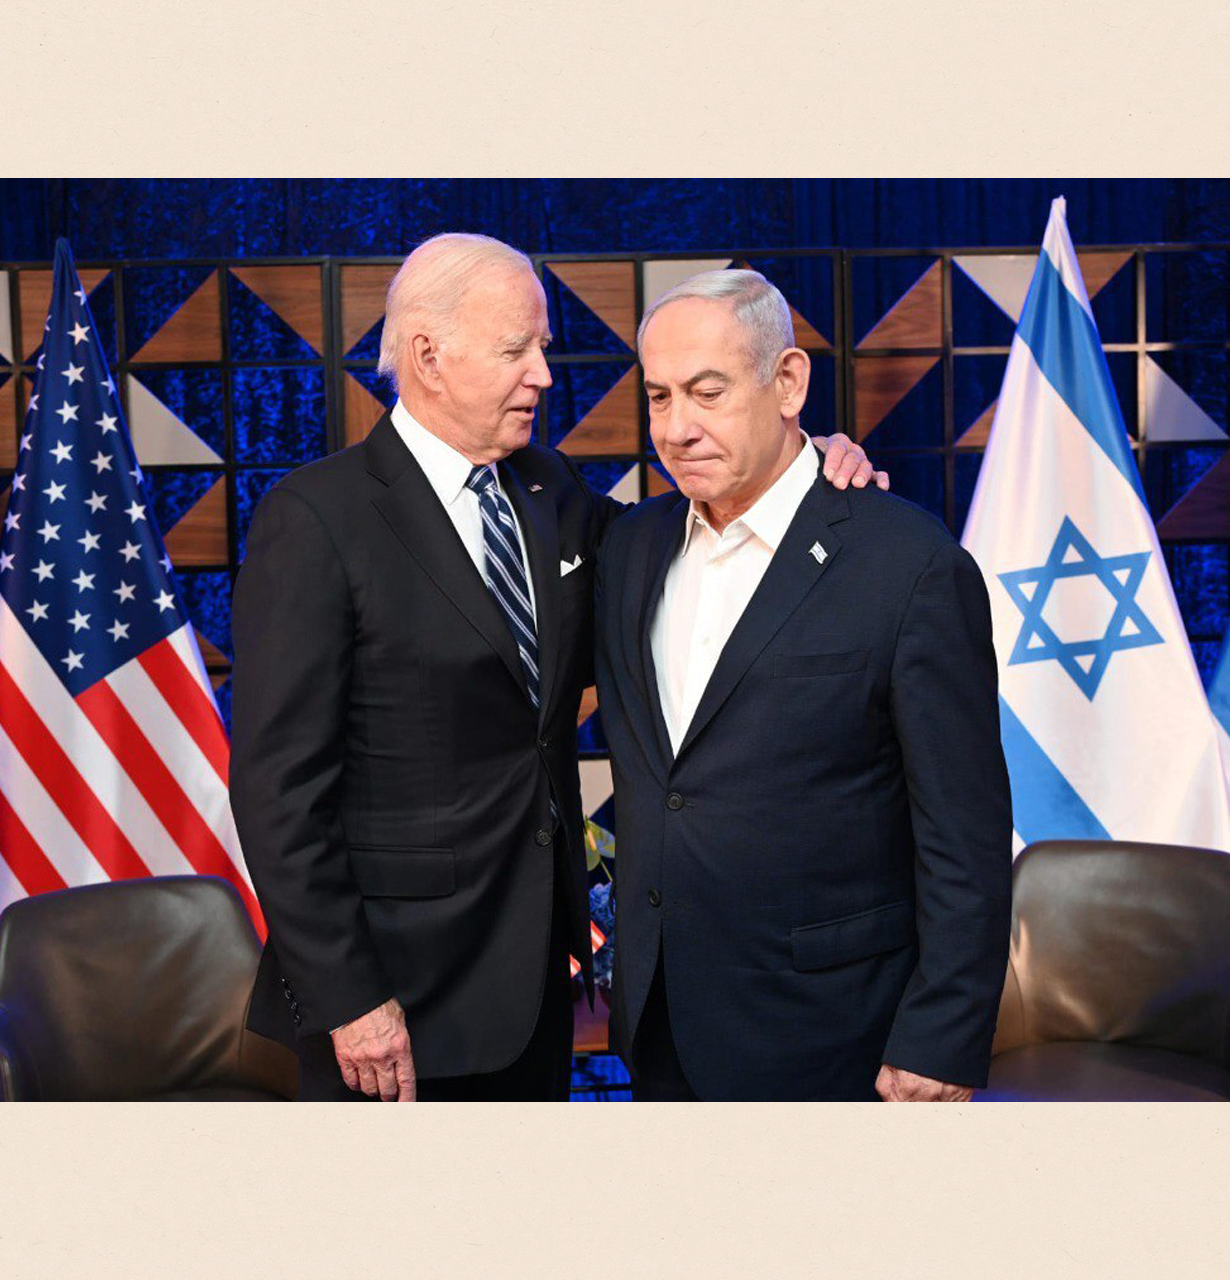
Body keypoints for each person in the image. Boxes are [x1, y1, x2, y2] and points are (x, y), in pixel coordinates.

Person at [230, 235, 883, 1101]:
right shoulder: (316, 520)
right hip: (395, 1001)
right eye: (517, 350)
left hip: (539, 982)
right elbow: (278, 795)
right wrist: (350, 998)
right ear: (427, 356)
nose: (544, 373)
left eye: (540, 346)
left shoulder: (549, 491)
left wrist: (802, 460)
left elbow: (679, 554)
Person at [595, 268, 1013, 1101]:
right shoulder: (629, 549)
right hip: (660, 1022)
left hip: (833, 1030)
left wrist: (943, 1035)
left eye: (707, 393)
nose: (676, 429)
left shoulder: (909, 565)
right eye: (660, 397)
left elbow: (963, 832)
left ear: (788, 383)